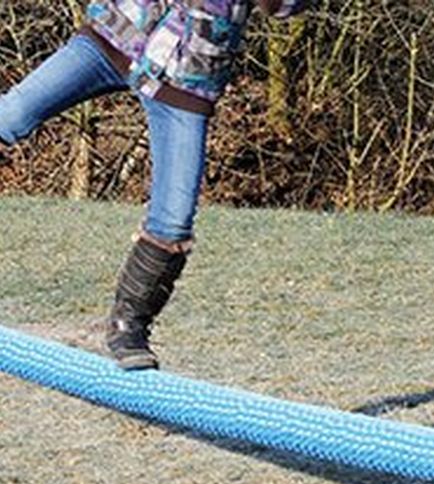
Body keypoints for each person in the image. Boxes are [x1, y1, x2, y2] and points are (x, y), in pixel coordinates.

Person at [0, 0, 305, 370]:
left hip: (189, 76)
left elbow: (287, 7)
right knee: (12, 113)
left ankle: (129, 324)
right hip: (117, 33)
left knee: (173, 223)